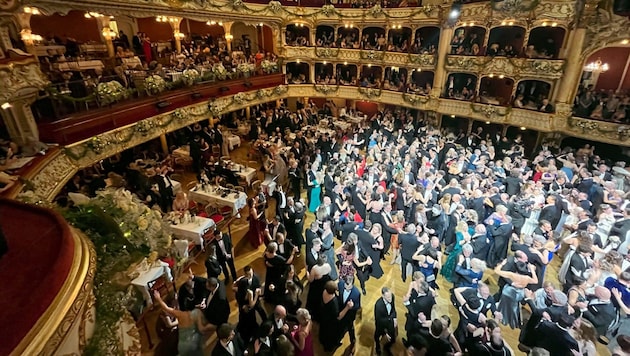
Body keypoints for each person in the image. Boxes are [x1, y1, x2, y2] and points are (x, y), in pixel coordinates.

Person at [153, 291, 211, 356]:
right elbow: (169, 324)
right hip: (164, 330)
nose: (176, 300)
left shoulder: (176, 306)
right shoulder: (165, 312)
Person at [319, 280, 353, 352]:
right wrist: (347, 307)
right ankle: (329, 347)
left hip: (324, 317)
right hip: (331, 322)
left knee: (324, 330)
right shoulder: (333, 303)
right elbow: (338, 317)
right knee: (331, 334)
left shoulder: (324, 291)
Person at [374, 287, 397, 356]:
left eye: (390, 296)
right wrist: (385, 332)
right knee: (377, 336)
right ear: (383, 296)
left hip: (390, 321)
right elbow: (379, 320)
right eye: (388, 297)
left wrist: (395, 317)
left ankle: (387, 347)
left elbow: (393, 309)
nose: (390, 298)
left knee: (392, 338)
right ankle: (377, 347)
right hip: (381, 324)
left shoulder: (392, 296)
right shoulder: (378, 305)